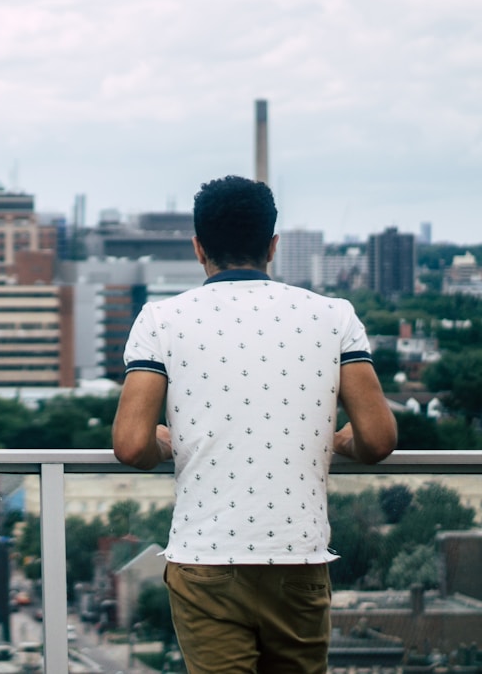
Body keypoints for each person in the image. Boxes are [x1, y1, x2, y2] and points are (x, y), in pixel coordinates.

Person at [112, 175, 397, 674]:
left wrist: (167, 439)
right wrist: (333, 441)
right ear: (273, 245)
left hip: (206, 557)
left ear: (199, 247)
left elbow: (132, 446)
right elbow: (377, 440)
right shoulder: (334, 316)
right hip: (298, 556)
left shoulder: (161, 319)